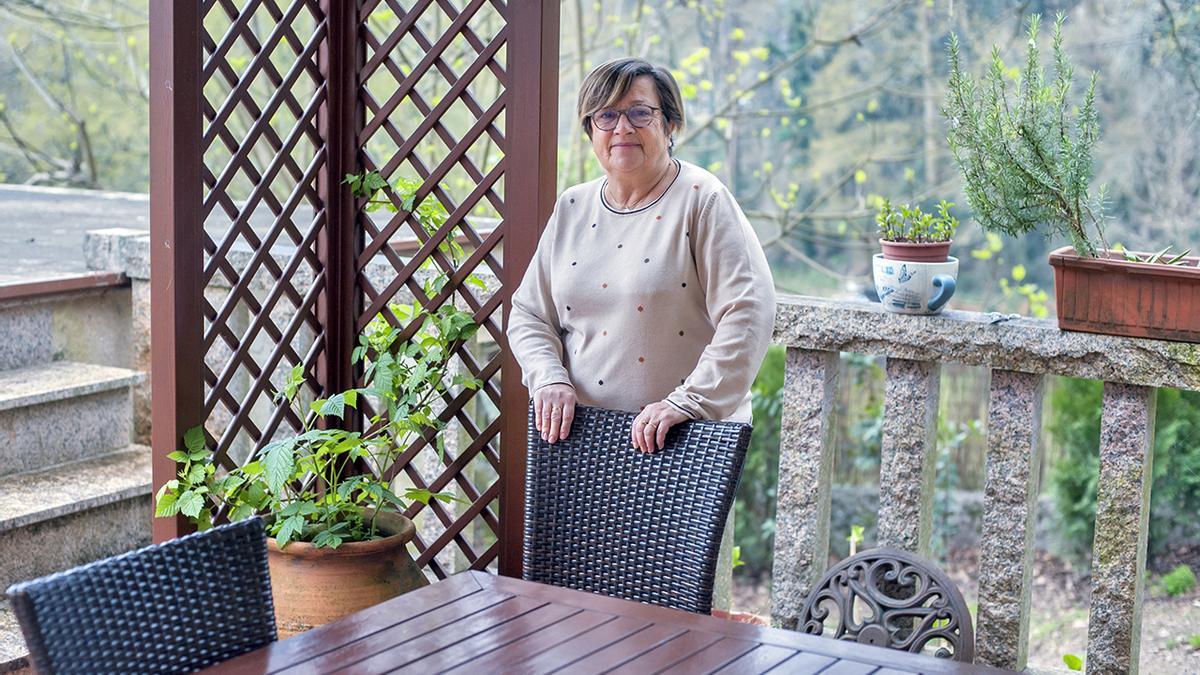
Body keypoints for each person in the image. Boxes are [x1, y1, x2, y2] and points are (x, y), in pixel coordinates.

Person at [507, 57, 776, 453]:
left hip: (679, 437)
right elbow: (529, 313)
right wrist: (548, 377)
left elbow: (750, 310)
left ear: (670, 125)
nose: (622, 128)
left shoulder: (703, 199)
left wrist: (687, 401)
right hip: (580, 437)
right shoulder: (573, 206)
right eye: (607, 115)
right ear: (590, 130)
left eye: (639, 113)